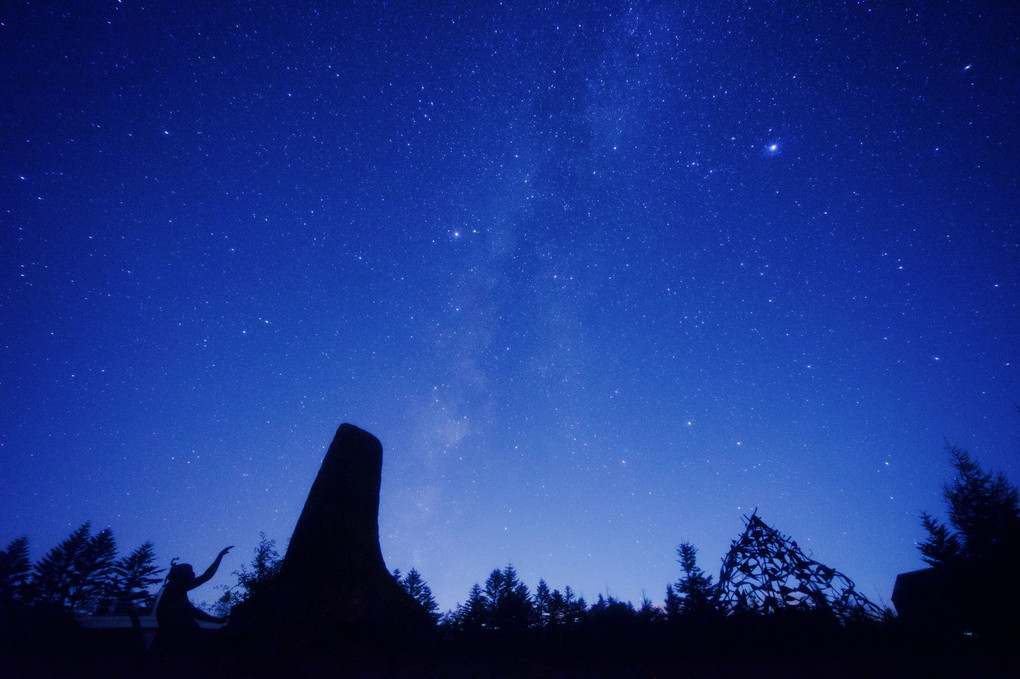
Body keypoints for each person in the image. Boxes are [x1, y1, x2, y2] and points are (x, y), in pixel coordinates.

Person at [154, 546, 233, 650]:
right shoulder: (176, 587)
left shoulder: (176, 592)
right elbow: (206, 576)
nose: (193, 574)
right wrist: (219, 557)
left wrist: (217, 620)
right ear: (182, 575)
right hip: (179, 639)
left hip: (181, 636)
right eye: (191, 571)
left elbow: (194, 612)